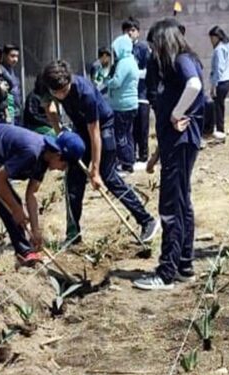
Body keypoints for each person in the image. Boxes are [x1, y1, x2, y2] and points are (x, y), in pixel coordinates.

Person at [42, 60, 158, 247]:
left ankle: (146, 221)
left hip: (103, 127)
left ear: (69, 81)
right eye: (56, 93)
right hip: (80, 129)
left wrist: (95, 170)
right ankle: (73, 234)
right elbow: (48, 105)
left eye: (63, 91)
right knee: (73, 181)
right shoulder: (48, 83)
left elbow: (95, 133)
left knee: (108, 176)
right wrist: (59, 131)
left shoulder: (85, 92)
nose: (60, 95)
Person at [0, 123, 85, 282]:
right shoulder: (32, 152)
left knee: (13, 203)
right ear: (58, 155)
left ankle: (25, 252)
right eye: (64, 165)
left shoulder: (44, 158)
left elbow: (32, 194)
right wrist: (16, 209)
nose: (62, 169)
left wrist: (36, 231)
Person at [133, 18, 206, 291]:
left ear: (164, 41)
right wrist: (155, 155)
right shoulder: (170, 67)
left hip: (181, 141)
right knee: (182, 203)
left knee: (171, 207)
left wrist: (177, 113)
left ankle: (166, 272)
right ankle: (184, 265)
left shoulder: (181, 60)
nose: (152, 52)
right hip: (176, 144)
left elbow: (195, 85)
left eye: (154, 46)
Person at [106, 33, 142, 171]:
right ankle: (130, 159)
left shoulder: (123, 63)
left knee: (119, 135)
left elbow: (116, 82)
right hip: (131, 104)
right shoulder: (132, 60)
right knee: (128, 134)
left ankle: (126, 163)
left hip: (122, 105)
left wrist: (107, 82)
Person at [124, 19, 152, 167]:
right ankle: (131, 156)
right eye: (127, 30)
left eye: (133, 30)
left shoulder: (142, 48)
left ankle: (144, 156)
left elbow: (149, 71)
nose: (130, 32)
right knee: (131, 128)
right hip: (128, 97)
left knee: (142, 127)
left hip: (142, 95)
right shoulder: (123, 50)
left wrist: (133, 73)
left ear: (138, 32)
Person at [208, 27, 229, 141]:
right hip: (227, 81)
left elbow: (219, 69)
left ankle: (220, 132)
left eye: (212, 38)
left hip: (221, 82)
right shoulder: (227, 47)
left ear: (217, 37)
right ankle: (219, 130)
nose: (211, 41)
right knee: (219, 106)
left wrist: (214, 85)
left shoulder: (219, 50)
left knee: (218, 108)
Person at [1, 45, 23, 125]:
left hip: (17, 110)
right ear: (4, 55)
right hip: (8, 112)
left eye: (17, 56)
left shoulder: (12, 70)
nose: (15, 59)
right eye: (12, 56)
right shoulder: (1, 71)